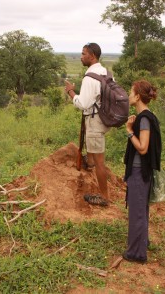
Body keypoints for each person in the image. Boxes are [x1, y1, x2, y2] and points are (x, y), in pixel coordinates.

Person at [65, 43, 110, 207]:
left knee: (100, 162)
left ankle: (104, 197)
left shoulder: (90, 77)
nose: (81, 57)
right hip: (104, 118)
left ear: (92, 56)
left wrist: (71, 92)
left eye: (83, 54)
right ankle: (89, 163)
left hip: (95, 121)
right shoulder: (105, 72)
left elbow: (83, 104)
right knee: (93, 154)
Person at [123, 80, 162, 263]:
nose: (129, 95)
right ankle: (142, 242)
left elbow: (143, 148)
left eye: (131, 92)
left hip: (139, 171)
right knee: (141, 210)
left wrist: (130, 131)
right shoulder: (146, 116)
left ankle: (136, 253)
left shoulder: (144, 118)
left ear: (138, 96)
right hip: (142, 171)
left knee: (137, 212)